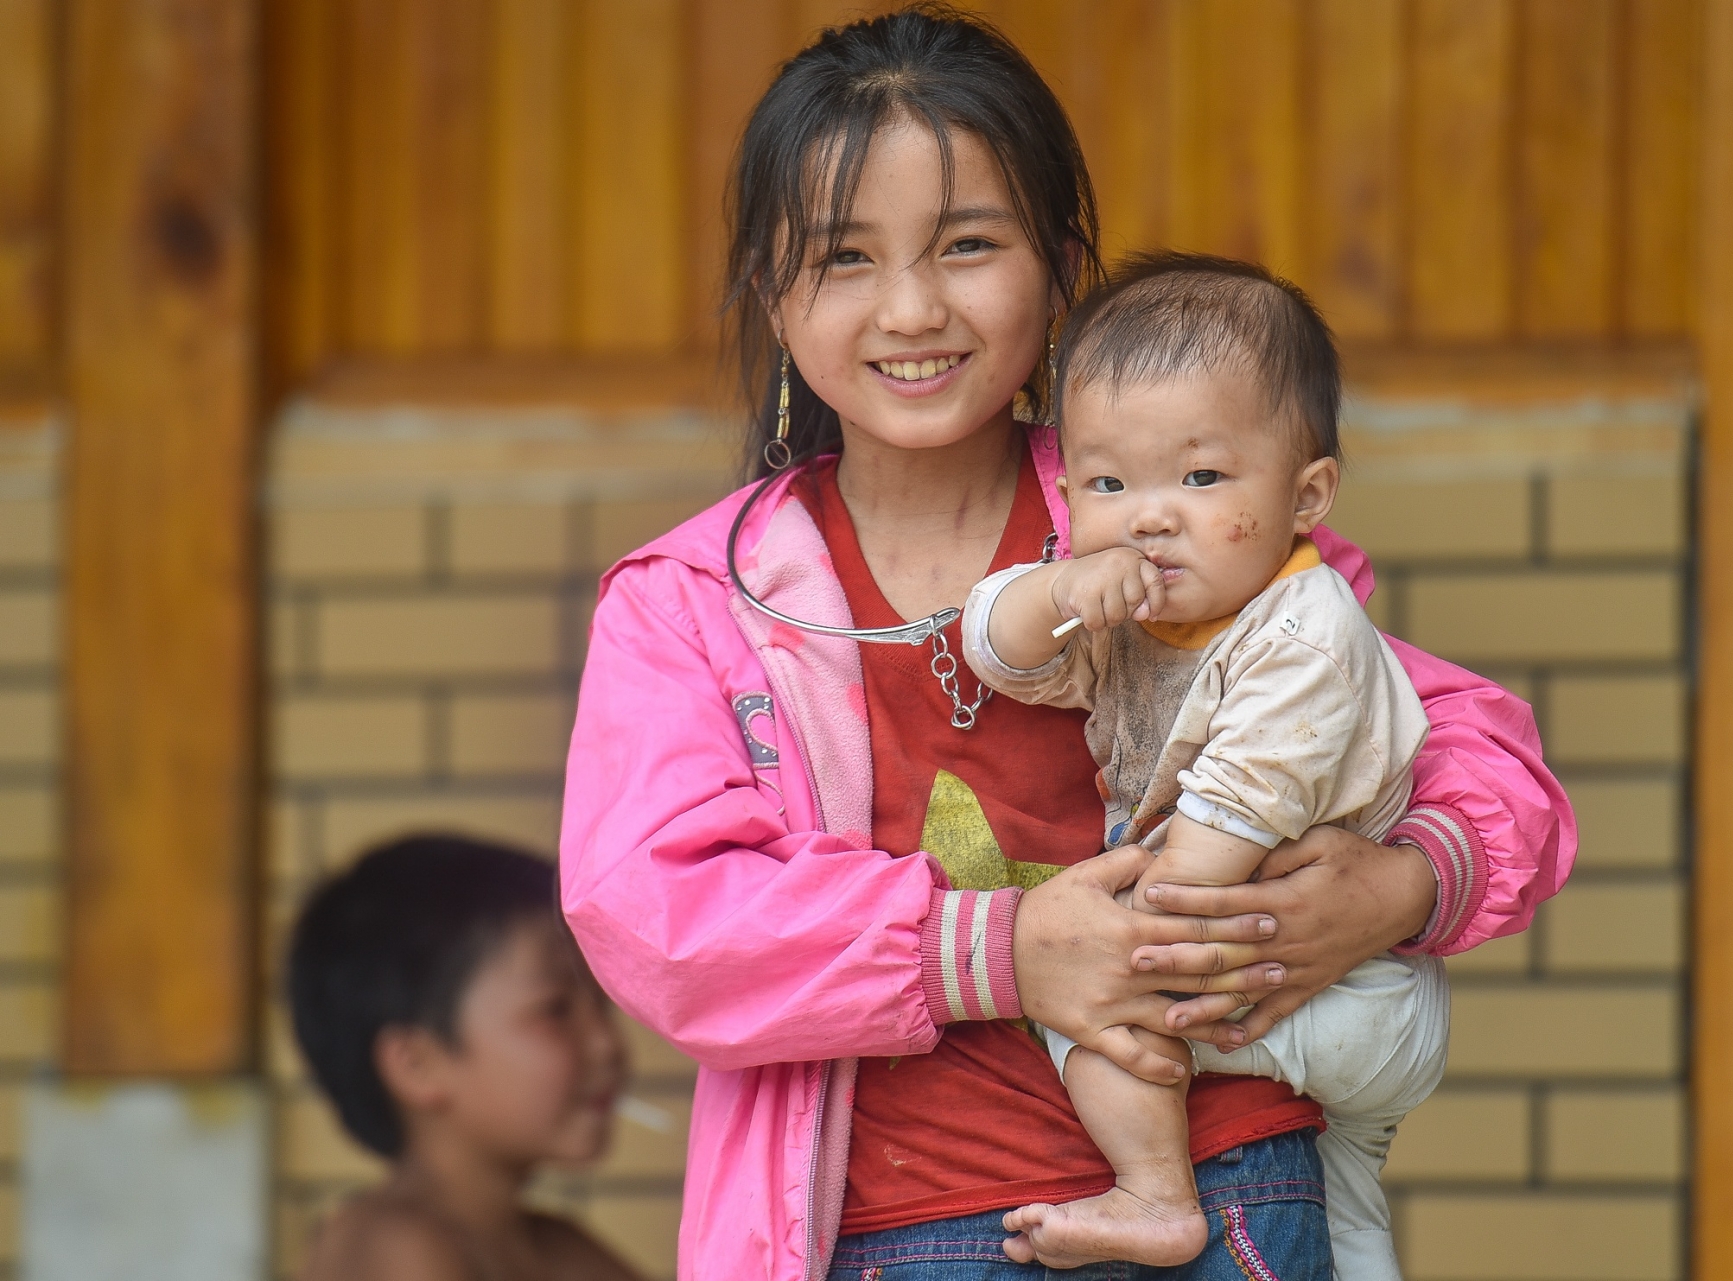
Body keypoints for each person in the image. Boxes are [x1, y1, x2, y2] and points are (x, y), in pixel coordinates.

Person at [560, 7, 1576, 1279]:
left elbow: (1465, 751)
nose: (913, 307)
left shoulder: (1183, 522)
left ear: (1059, 263)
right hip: (893, 1228)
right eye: (846, 259)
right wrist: (994, 951)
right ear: (771, 294)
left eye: (969, 244)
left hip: (1229, 1185)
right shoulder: (693, 601)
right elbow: (656, 917)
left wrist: (1399, 884)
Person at [964, 253, 1449, 1277]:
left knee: (1089, 1009)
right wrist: (1056, 595)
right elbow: (998, 658)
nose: (1147, 516)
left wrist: (1091, 961)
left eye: (1199, 478)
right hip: (1315, 997)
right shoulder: (1144, 619)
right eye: (1107, 482)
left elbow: (1202, 868)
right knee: (1355, 1223)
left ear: (1307, 494)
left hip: (1348, 991)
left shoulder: (1306, 637)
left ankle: (1155, 1196)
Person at [288, 835, 640, 1281]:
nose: (607, 1043)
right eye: (555, 1010)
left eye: (602, 1002)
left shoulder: (560, 1249)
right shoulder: (395, 1251)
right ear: (417, 1066)